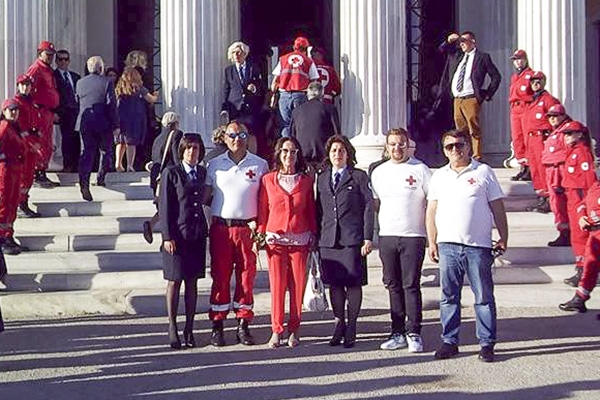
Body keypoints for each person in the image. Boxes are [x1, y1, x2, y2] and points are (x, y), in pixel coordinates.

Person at [426, 129, 508, 363]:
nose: (455, 150)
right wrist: (432, 241)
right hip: (448, 245)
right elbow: (431, 211)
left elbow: (497, 208)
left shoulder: (484, 171)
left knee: (483, 297)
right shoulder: (438, 176)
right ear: (444, 151)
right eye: (449, 146)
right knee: (448, 297)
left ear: (468, 146)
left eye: (459, 145)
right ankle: (449, 342)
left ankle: (487, 344)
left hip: (477, 246)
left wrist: (504, 236)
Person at [204, 120, 269, 346]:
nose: (236, 139)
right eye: (232, 135)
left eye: (241, 135)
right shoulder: (214, 165)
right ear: (224, 138)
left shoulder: (260, 165)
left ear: (247, 138)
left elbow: (265, 200)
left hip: (247, 229)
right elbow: (203, 197)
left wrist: (261, 230)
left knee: (246, 277)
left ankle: (243, 324)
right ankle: (217, 325)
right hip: (221, 229)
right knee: (220, 277)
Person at [370, 128, 432, 353]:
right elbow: (376, 204)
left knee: (411, 285)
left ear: (408, 145)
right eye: (393, 144)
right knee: (393, 285)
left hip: (413, 236)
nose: (397, 148)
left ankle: (414, 332)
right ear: (387, 147)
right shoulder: (378, 172)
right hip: (387, 235)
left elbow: (432, 203)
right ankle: (397, 332)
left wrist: (432, 236)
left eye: (401, 144)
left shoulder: (421, 170)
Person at [257, 137, 316, 348]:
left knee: (297, 287)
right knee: (277, 286)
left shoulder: (306, 181)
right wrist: (261, 234)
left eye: (292, 151)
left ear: (297, 155)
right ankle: (276, 330)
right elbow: (263, 209)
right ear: (278, 153)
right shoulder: (268, 180)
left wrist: (314, 235)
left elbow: (311, 210)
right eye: (284, 151)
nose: (288, 155)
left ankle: (294, 329)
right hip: (276, 240)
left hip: (300, 239)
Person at [316, 135, 374, 348]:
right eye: (334, 151)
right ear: (328, 154)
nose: (337, 154)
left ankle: (352, 326)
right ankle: (339, 323)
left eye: (341, 150)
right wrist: (316, 237)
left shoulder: (358, 176)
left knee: (353, 283)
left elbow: (368, 206)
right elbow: (318, 209)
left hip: (352, 238)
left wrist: (367, 237)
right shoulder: (322, 178)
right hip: (329, 239)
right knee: (335, 284)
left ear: (348, 154)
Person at [159, 133, 208, 349]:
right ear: (181, 150)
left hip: (196, 235)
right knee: (174, 280)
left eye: (195, 148)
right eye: (188, 148)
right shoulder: (172, 173)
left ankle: (189, 328)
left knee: (192, 282)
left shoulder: (202, 172)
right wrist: (167, 236)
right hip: (177, 236)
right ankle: (172, 326)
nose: (191, 152)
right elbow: (165, 207)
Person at [437, 32, 501, 160]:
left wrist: (488, 93)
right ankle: (463, 152)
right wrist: (449, 41)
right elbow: (441, 50)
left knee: (473, 126)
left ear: (473, 41)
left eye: (465, 41)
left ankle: (477, 155)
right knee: (460, 129)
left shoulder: (482, 57)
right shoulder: (458, 56)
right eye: (460, 42)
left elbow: (496, 76)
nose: (462, 44)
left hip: (471, 97)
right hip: (458, 98)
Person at [557, 121, 597, 288]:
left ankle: (585, 271)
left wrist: (585, 206)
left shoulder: (582, 153)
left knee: (581, 236)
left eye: (570, 133)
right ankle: (581, 267)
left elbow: (589, 182)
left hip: (580, 197)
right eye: (565, 134)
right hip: (572, 196)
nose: (566, 137)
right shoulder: (572, 152)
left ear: (579, 134)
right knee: (576, 235)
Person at [75, 56, 119, 202]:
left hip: (85, 122)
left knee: (86, 153)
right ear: (101, 68)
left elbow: (77, 101)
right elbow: (111, 105)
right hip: (103, 123)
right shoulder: (107, 82)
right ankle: (100, 177)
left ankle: (84, 182)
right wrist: (116, 125)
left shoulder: (80, 82)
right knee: (105, 151)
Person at [559, 178, 600, 313]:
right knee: (590, 267)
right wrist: (582, 217)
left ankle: (579, 298)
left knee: (591, 267)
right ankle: (579, 299)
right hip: (595, 234)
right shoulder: (595, 187)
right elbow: (583, 204)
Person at [521, 71, 560, 213]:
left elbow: (556, 120)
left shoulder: (549, 100)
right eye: (533, 81)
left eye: (539, 81)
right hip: (531, 139)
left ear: (544, 82)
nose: (535, 83)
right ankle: (542, 197)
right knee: (535, 170)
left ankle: (550, 199)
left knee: (544, 170)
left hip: (542, 138)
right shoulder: (531, 101)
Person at [143, 111, 184, 244]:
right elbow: (176, 156)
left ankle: (151, 225)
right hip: (168, 177)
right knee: (171, 209)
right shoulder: (176, 134)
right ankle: (165, 238)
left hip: (156, 177)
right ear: (175, 123)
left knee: (164, 208)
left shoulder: (158, 138)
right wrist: (182, 172)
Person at [26, 40, 60, 188]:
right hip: (40, 111)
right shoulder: (36, 69)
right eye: (48, 54)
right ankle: (37, 173)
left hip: (48, 112)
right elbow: (26, 88)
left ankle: (42, 171)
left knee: (48, 144)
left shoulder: (47, 69)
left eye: (52, 55)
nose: (50, 57)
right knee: (41, 142)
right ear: (40, 54)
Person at [271, 36, 319, 138]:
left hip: (284, 96)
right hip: (301, 95)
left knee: (285, 125)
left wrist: (273, 95)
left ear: (294, 47)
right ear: (306, 48)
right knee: (301, 124)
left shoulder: (283, 59)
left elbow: (275, 82)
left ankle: (286, 144)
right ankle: (299, 146)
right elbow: (314, 81)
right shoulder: (308, 61)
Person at [115, 68, 159, 172]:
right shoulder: (139, 88)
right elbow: (150, 99)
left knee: (121, 142)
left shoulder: (120, 88)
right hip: (134, 119)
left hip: (121, 119)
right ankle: (129, 165)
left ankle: (118, 163)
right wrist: (156, 95)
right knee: (131, 143)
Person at [289, 82, 340, 168]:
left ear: (307, 94)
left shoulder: (296, 111)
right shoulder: (330, 109)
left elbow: (292, 136)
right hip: (324, 156)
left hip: (302, 156)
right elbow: (337, 134)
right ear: (322, 95)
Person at [542, 104, 572, 248]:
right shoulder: (555, 132)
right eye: (550, 116)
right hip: (551, 170)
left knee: (562, 202)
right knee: (556, 203)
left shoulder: (566, 132)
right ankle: (563, 230)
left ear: (563, 116)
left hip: (560, 170)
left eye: (555, 116)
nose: (552, 119)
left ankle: (566, 233)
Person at [0, 99, 28, 255]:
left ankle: (8, 236)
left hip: (15, 169)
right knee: (4, 203)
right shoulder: (4, 126)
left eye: (16, 110)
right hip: (6, 170)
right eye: (11, 110)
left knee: (12, 203)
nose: (14, 112)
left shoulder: (14, 127)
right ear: (4, 111)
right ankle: (2, 239)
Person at [14, 74, 42, 219]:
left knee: (29, 176)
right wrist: (31, 143)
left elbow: (36, 122)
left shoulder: (31, 102)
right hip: (23, 145)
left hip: (32, 143)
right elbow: (19, 127)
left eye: (27, 84)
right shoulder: (15, 103)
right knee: (23, 177)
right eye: (22, 85)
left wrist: (39, 138)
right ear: (18, 86)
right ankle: (20, 205)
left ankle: (24, 203)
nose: (25, 87)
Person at [220, 41, 265, 134]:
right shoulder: (229, 70)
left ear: (245, 54)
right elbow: (226, 90)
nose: (236, 55)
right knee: (236, 131)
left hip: (250, 107)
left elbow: (260, 86)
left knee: (250, 132)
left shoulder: (253, 68)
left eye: (238, 52)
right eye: (233, 52)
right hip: (235, 108)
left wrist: (254, 88)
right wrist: (224, 107)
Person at [508, 49, 534, 181]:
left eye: (520, 59)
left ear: (525, 60)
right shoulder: (515, 77)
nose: (518, 62)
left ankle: (530, 168)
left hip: (525, 107)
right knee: (517, 138)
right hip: (515, 108)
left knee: (526, 137)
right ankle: (522, 166)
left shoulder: (531, 75)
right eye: (515, 60)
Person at [53, 49, 81, 173]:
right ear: (56, 61)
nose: (63, 62)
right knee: (67, 139)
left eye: (66, 59)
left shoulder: (75, 76)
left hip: (76, 111)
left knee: (76, 138)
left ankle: (76, 165)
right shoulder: (53, 76)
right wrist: (54, 112)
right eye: (60, 59)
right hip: (63, 112)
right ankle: (68, 165)